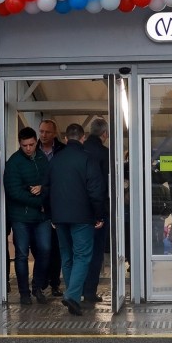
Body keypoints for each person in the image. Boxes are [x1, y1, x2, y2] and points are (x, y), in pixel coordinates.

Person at [47, 123, 106, 316]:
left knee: (67, 256)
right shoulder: (87, 159)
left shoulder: (55, 160)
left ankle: (72, 294)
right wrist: (99, 215)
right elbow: (95, 191)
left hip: (60, 216)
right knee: (82, 256)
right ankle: (72, 296)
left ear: (65, 138)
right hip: (83, 216)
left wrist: (51, 215)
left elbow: (47, 189)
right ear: (82, 138)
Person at [3, 126, 52, 305]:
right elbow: (14, 191)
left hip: (41, 217)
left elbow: (50, 181)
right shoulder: (14, 162)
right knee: (22, 254)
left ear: (36, 142)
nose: (29, 148)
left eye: (31, 144)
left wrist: (43, 189)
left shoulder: (42, 159)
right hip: (21, 217)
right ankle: (24, 292)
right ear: (20, 144)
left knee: (45, 250)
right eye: (25, 145)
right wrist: (38, 200)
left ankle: (37, 287)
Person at [82, 116, 112, 303]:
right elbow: (104, 186)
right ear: (105, 134)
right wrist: (101, 214)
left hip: (78, 210)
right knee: (95, 252)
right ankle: (90, 291)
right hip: (98, 211)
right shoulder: (105, 154)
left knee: (79, 252)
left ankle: (75, 289)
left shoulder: (81, 151)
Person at [36, 118, 63, 297]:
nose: (44, 135)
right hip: (37, 205)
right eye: (41, 131)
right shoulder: (31, 151)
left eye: (47, 132)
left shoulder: (61, 151)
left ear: (54, 134)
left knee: (56, 247)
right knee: (39, 248)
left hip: (57, 205)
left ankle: (54, 282)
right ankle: (40, 281)